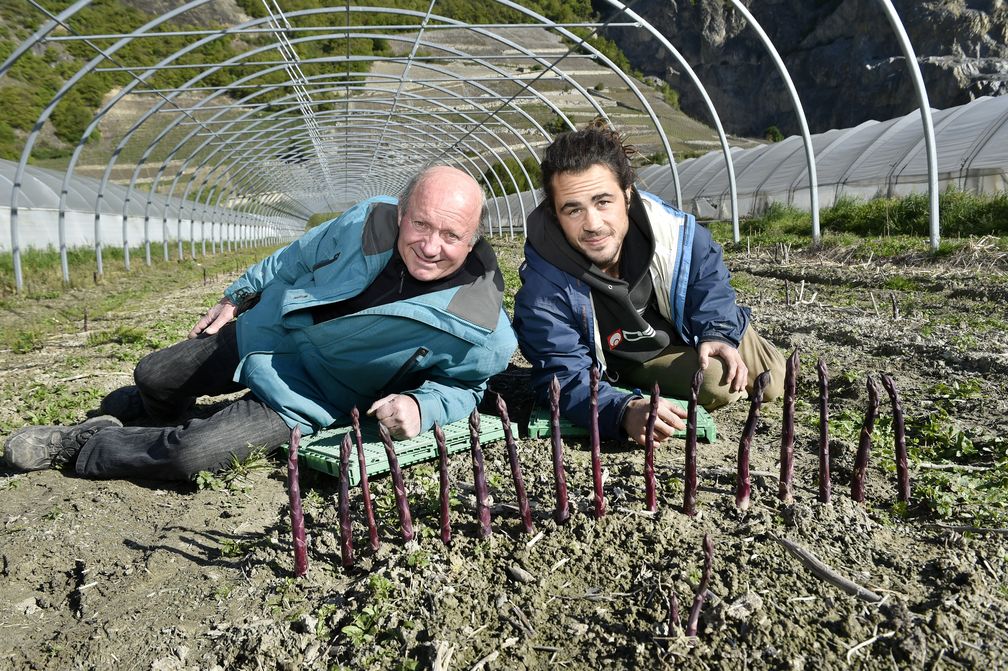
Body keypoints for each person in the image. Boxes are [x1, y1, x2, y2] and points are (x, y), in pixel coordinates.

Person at [3, 166, 517, 481]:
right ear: (402, 212)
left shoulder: (480, 324)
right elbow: (294, 258)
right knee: (152, 373)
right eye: (421, 224)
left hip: (312, 392)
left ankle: (80, 445)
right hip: (267, 331)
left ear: (472, 240)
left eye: (451, 235)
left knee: (191, 454)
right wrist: (240, 295)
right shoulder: (366, 219)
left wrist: (422, 407)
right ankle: (145, 409)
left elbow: (467, 388)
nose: (430, 246)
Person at [512, 123, 785, 447]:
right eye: (574, 209)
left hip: (676, 325)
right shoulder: (544, 285)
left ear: (627, 195)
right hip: (627, 353)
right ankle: (630, 378)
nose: (593, 224)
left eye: (603, 202)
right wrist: (621, 410)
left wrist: (718, 332)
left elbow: (707, 278)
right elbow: (563, 373)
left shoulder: (674, 232)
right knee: (714, 382)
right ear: (556, 215)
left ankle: (717, 341)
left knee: (772, 380)